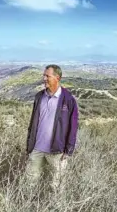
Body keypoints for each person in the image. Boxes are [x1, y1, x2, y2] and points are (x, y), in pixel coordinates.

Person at [25, 64, 79, 195]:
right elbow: (33, 123)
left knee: (57, 186)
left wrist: (69, 149)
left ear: (57, 78)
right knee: (29, 182)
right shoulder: (39, 97)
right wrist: (29, 145)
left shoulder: (68, 99)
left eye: (47, 76)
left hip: (57, 151)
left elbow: (73, 126)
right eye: (43, 75)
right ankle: (28, 207)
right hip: (37, 149)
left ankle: (57, 211)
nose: (44, 78)